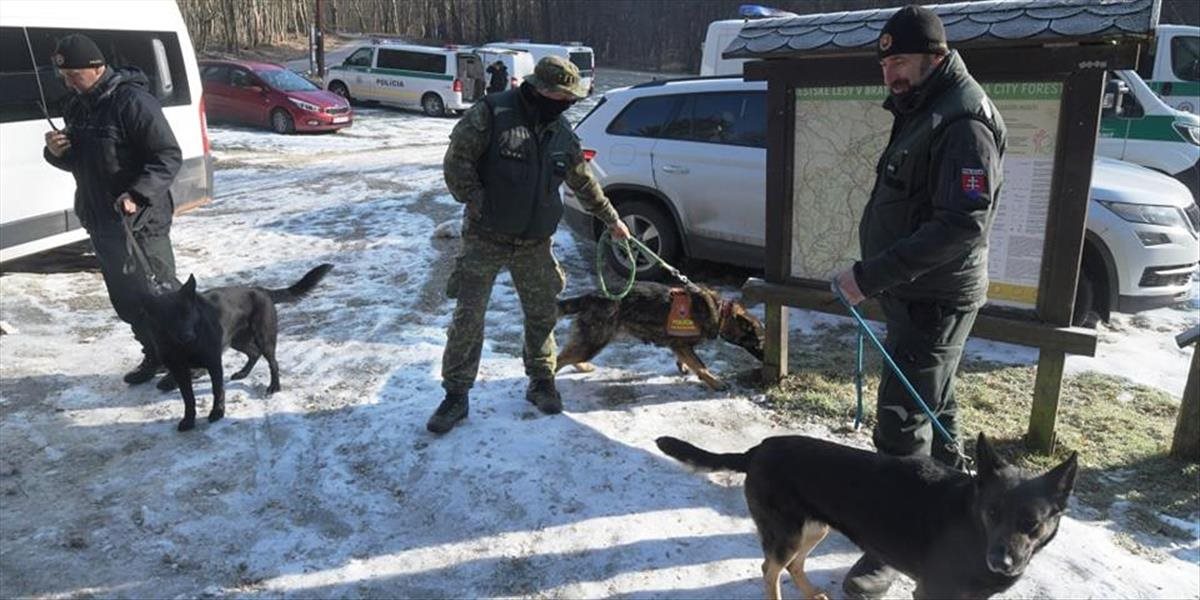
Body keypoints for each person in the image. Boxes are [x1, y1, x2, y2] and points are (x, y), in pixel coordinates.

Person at [828, 6, 1006, 597]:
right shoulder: (927, 106)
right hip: (920, 295)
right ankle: (954, 522)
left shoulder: (961, 121)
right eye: (884, 62)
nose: (890, 73)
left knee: (902, 430)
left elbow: (961, 224)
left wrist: (871, 275)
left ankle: (890, 552)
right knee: (936, 409)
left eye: (899, 60)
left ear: (935, 55)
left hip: (932, 297)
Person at [428, 56, 630, 435]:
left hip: (535, 241)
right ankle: (456, 394)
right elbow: (457, 163)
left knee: (542, 314)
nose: (567, 103)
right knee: (468, 319)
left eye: (571, 99)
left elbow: (583, 181)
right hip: (485, 238)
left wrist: (612, 219)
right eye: (562, 97)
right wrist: (476, 199)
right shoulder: (492, 113)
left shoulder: (561, 131)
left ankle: (541, 380)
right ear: (539, 89)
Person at [42, 33, 183, 386]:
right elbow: (82, 162)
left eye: (74, 75)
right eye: (64, 77)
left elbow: (168, 156)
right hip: (101, 219)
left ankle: (187, 358)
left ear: (97, 67)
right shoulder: (77, 105)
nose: (69, 83)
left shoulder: (133, 101)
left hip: (142, 220)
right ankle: (155, 354)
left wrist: (138, 192)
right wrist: (56, 153)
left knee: (161, 293)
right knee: (127, 298)